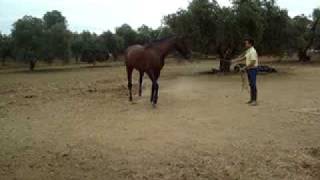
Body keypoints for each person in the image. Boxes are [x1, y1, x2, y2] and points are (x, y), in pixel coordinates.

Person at [231, 38, 259, 106]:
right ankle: (252, 99)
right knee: (251, 84)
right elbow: (244, 57)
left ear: (250, 44)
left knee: (253, 84)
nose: (245, 44)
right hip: (249, 69)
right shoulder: (249, 50)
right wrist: (236, 60)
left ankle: (254, 101)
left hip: (253, 69)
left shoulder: (253, 51)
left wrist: (244, 67)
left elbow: (253, 62)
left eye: (246, 43)